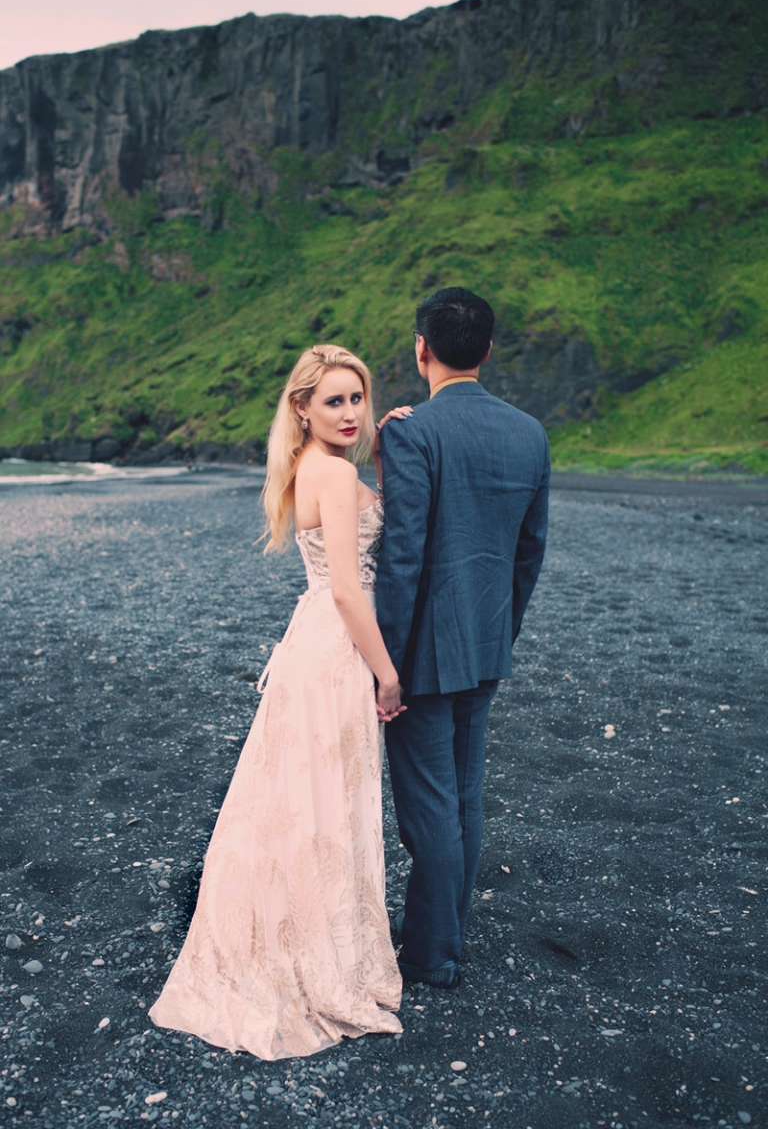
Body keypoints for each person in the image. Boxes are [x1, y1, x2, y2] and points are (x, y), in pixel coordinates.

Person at [149, 344, 410, 1058]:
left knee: (302, 797)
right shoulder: (327, 470)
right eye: (334, 401)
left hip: (314, 640)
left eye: (357, 398)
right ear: (302, 407)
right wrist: (387, 674)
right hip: (335, 646)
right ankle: (311, 956)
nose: (350, 412)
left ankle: (301, 935)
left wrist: (387, 445)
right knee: (324, 801)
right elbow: (349, 589)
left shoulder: (314, 465)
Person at [377, 287, 550, 989]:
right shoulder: (530, 433)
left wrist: (381, 659)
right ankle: (443, 936)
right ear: (487, 350)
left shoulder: (412, 430)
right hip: (486, 641)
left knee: (428, 809)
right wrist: (500, 630)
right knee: (464, 797)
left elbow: (402, 557)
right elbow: (529, 552)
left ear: (422, 348)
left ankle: (432, 955)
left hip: (420, 650)